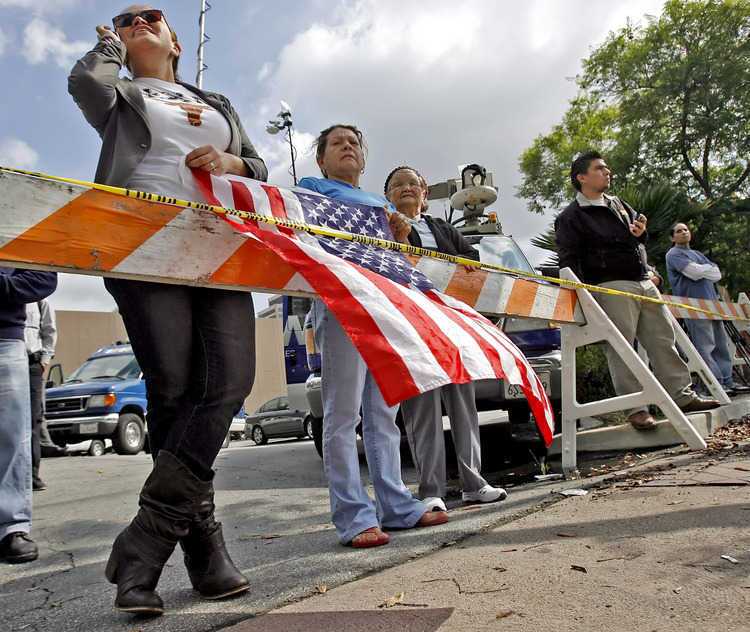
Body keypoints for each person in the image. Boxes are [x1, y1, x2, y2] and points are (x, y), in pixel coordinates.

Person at [68, 5, 267, 615]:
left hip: (220, 247)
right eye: (124, 20)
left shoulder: (218, 102)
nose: (137, 21)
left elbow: (257, 167)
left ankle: (145, 542)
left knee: (231, 382)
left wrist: (235, 164)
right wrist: (110, 47)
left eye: (151, 16)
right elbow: (86, 85)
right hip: (143, 243)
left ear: (177, 39)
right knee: (175, 390)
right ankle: (205, 555)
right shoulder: (120, 92)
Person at [300, 125, 448, 548]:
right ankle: (352, 515)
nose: (348, 147)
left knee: (384, 413)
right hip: (344, 302)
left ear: (363, 159)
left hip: (383, 305)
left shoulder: (382, 204)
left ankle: (397, 506)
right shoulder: (311, 189)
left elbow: (396, 260)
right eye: (337, 143)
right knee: (343, 413)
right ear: (322, 160)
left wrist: (400, 237)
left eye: (354, 143)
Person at [554, 151, 719, 430]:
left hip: (644, 282)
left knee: (663, 341)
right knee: (622, 349)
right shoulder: (571, 217)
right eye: (600, 168)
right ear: (581, 177)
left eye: (607, 168)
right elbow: (568, 260)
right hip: (611, 287)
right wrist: (584, 298)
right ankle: (636, 409)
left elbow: (637, 242)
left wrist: (642, 237)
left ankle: (683, 396)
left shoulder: (619, 204)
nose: (607, 172)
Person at [384, 166, 506, 511]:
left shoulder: (443, 228)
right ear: (388, 195)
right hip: (412, 324)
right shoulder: (384, 227)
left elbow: (470, 260)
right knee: (422, 407)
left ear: (425, 194)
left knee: (462, 402)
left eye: (413, 183)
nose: (407, 188)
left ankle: (473, 482)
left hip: (452, 323)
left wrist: (453, 267)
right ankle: (431, 489)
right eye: (398, 185)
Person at [0, 268, 57, 564]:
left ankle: (11, 527)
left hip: (5, 337)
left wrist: (3, 286)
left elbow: (44, 278)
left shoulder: (15, 225)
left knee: (12, 434)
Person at [666, 223, 749, 396]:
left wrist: (704, 270)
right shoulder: (673, 254)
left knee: (721, 345)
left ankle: (728, 381)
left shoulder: (697, 254)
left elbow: (717, 274)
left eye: (686, 229)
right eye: (679, 231)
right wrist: (706, 270)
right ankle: (715, 383)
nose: (683, 232)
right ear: (672, 238)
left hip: (713, 305)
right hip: (693, 307)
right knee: (705, 346)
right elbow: (693, 273)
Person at [24, 299, 58, 491]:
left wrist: (44, 361)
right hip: (6, 361)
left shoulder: (39, 300)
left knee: (32, 421)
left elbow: (49, 330)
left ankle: (32, 477)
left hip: (31, 365)